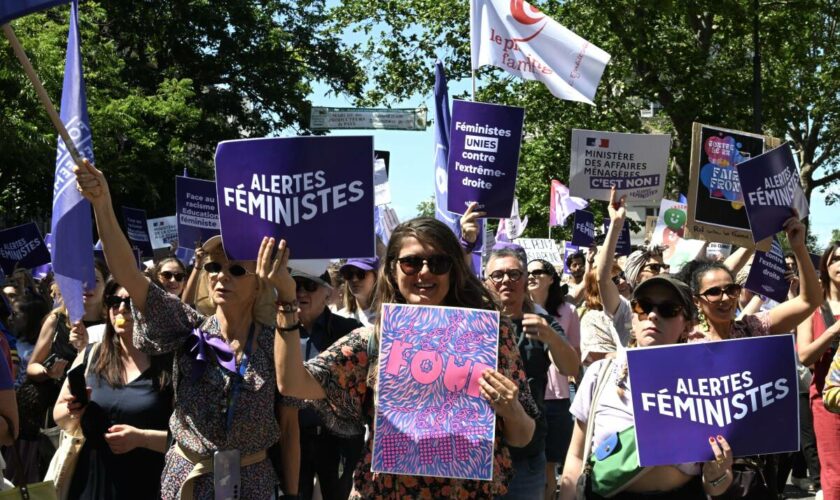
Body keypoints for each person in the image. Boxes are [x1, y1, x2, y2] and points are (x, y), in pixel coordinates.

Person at [274, 217, 540, 498]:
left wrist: (512, 410)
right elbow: (292, 383)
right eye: (411, 263)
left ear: (453, 270)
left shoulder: (490, 337)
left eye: (438, 263)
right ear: (392, 269)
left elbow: (522, 436)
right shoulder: (375, 339)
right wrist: (286, 300)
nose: (424, 273)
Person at [75, 158, 283, 498]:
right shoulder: (188, 329)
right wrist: (102, 204)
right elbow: (129, 273)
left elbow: (289, 425)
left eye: (236, 270)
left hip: (253, 484)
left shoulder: (277, 342)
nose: (220, 275)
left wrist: (290, 491)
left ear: (259, 285)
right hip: (187, 480)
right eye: (214, 266)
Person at [559, 275, 735, 499]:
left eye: (668, 309)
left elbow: (716, 485)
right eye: (643, 307)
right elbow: (576, 456)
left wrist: (716, 474)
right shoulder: (600, 373)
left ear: (687, 325)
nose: (653, 315)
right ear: (633, 318)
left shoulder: (707, 384)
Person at [53, 278, 173, 498]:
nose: (121, 308)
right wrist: (73, 411)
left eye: (130, 302)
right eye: (114, 301)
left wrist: (142, 438)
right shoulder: (90, 355)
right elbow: (59, 415)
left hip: (148, 484)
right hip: (91, 481)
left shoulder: (171, 364)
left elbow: (190, 439)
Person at [485, 249, 579, 499]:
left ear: (526, 280)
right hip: (479, 456)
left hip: (525, 458)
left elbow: (570, 368)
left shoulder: (541, 322)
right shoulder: (472, 324)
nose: (506, 280)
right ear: (486, 282)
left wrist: (550, 336)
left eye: (514, 274)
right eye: (498, 275)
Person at [280, 265, 363, 500]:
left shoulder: (350, 331)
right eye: (295, 285)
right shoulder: (279, 333)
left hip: (339, 442)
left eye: (310, 285)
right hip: (293, 438)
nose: (301, 292)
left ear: (328, 292)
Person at [526, 258, 581, 500]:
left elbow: (575, 355)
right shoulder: (516, 310)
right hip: (528, 398)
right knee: (531, 465)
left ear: (552, 278)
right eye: (526, 271)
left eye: (537, 271)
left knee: (550, 465)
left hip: (558, 397)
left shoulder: (568, 312)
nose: (531, 276)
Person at [797, 241, 840, 500]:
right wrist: (835, 330)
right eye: (836, 259)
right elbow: (804, 356)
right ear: (825, 266)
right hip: (828, 402)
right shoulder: (812, 308)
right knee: (835, 476)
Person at [337, 258, 379, 327]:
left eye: (361, 273)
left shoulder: (388, 317)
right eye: (349, 274)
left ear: (376, 277)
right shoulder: (339, 318)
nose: (354, 279)